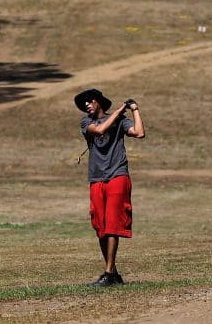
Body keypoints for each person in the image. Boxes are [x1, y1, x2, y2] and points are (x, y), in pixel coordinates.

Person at [74, 88, 146, 287]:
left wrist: (135, 110)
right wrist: (121, 108)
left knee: (113, 224)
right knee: (100, 226)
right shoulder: (86, 123)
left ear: (99, 102)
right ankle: (112, 274)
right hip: (97, 178)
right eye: (84, 104)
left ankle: (108, 273)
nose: (86, 105)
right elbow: (100, 130)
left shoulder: (121, 121)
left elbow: (139, 133)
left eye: (90, 101)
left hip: (117, 176)